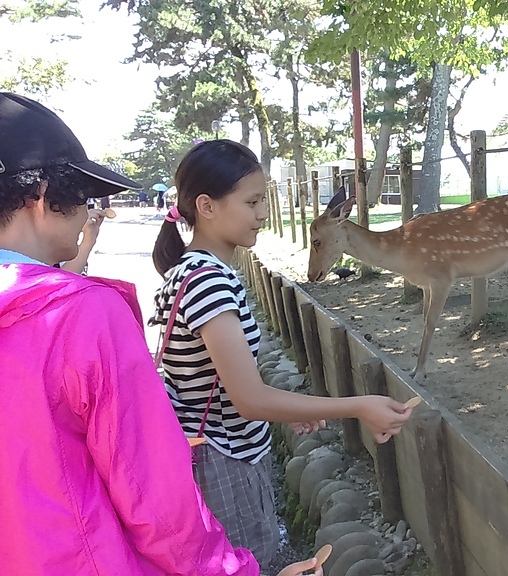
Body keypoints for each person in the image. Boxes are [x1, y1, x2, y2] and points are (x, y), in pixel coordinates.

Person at [0, 92, 322, 576]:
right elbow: (152, 495)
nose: (89, 215)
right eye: (83, 200)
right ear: (43, 197)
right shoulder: (80, 314)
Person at [151, 139, 413, 564]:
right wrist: (361, 405)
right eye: (252, 201)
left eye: (263, 201)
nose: (262, 214)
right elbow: (249, 398)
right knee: (245, 563)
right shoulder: (209, 282)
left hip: (215, 452)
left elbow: (224, 384)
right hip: (222, 463)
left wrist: (293, 409)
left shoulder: (189, 270)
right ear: (207, 205)